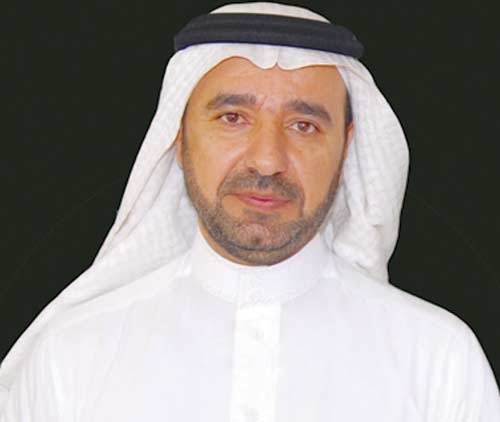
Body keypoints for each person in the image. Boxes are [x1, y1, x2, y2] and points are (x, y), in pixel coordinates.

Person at [1, 2, 499, 421]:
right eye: (233, 118)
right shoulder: (69, 357)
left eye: (304, 125)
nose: (267, 160)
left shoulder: (439, 361)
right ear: (179, 137)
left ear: (347, 148)